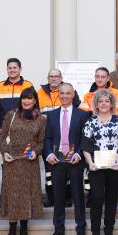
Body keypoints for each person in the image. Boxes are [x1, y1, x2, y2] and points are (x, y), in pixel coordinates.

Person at [44, 83, 90, 235]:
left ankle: (80, 230)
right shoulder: (51, 115)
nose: (64, 96)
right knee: (58, 197)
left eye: (67, 93)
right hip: (57, 161)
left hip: (75, 161)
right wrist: (48, 153)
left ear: (73, 94)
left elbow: (85, 139)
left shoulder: (83, 115)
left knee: (78, 196)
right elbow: (48, 138)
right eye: (61, 93)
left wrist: (79, 153)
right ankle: (58, 230)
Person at [0, 87, 45, 235]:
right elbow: (2, 136)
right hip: (11, 161)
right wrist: (4, 152)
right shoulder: (11, 115)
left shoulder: (41, 119)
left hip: (29, 163)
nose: (26, 101)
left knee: (26, 195)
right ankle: (11, 230)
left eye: (30, 98)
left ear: (35, 100)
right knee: (12, 195)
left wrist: (36, 152)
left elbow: (41, 142)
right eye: (24, 98)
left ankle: (23, 229)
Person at [82, 88, 118, 235]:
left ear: (112, 103)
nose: (104, 104)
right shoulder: (90, 122)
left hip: (114, 167)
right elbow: (85, 146)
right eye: (101, 101)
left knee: (112, 200)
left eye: (107, 101)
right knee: (96, 199)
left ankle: (109, 233)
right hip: (96, 167)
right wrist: (90, 163)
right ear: (96, 104)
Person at [36, 69, 81, 207]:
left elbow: (76, 111)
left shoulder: (68, 91)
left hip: (68, 139)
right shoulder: (39, 93)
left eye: (57, 76)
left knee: (67, 172)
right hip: (50, 137)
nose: (54, 78)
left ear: (61, 78)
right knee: (50, 173)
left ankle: (67, 198)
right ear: (48, 78)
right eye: (51, 76)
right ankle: (51, 197)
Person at [0, 58, 34, 131]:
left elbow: (33, 107)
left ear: (20, 69)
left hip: (23, 127)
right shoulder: (0, 86)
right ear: (7, 70)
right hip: (4, 127)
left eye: (14, 68)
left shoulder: (28, 85)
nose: (12, 70)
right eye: (9, 68)